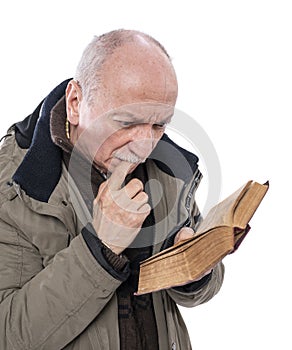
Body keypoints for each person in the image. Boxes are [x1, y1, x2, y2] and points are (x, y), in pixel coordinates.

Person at [0, 29, 224, 350]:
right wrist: (100, 249)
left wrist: (196, 273)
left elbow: (202, 286)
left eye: (159, 124)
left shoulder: (170, 171)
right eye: (127, 122)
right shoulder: (12, 187)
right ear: (76, 102)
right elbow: (8, 336)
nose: (145, 146)